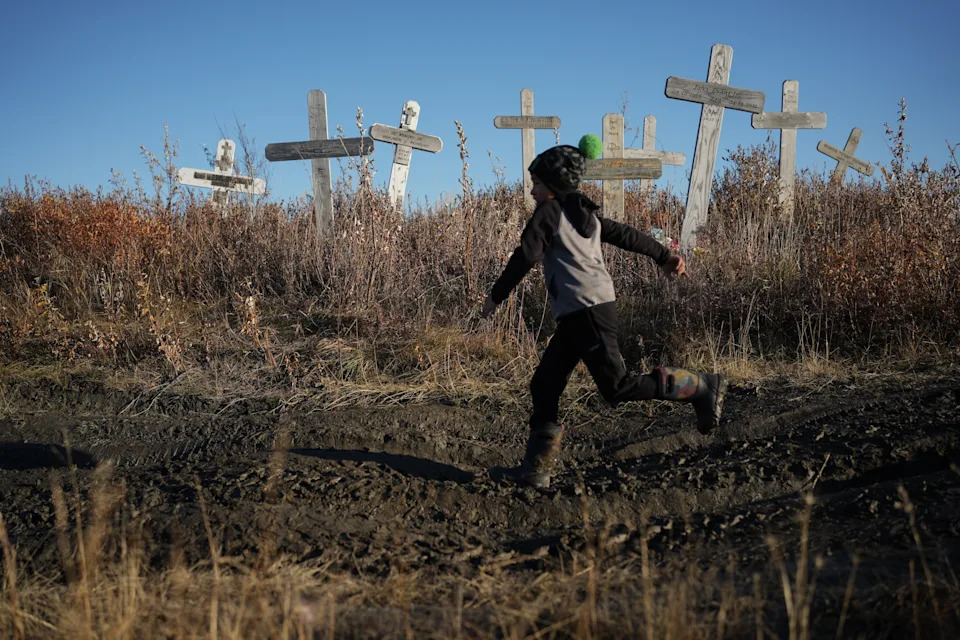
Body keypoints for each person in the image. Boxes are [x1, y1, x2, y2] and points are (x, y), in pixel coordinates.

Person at [480, 136, 727, 489]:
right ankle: (535, 472)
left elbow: (526, 256)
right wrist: (663, 255)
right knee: (545, 384)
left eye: (536, 183)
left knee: (617, 388)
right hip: (579, 313)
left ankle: (702, 386)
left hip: (588, 311)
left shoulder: (548, 213)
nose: (532, 190)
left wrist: (495, 297)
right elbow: (626, 235)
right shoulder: (586, 214)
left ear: (553, 185)